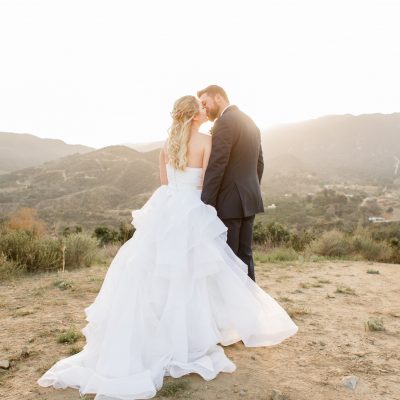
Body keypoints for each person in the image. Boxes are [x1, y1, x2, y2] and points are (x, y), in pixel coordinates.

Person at [37, 95, 297, 400]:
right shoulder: (205, 141)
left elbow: (165, 182)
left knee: (154, 273)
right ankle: (191, 334)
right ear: (195, 115)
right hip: (191, 209)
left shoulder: (167, 144)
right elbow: (208, 181)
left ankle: (158, 331)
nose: (205, 110)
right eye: (200, 108)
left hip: (167, 206)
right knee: (192, 274)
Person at [198, 85, 264, 282]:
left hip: (229, 203)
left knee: (229, 259)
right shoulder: (250, 121)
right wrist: (248, 190)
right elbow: (259, 164)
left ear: (218, 98)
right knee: (245, 256)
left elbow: (217, 165)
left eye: (204, 103)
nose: (204, 108)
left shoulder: (225, 122)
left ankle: (231, 310)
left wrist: (205, 204)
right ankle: (250, 305)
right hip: (249, 199)